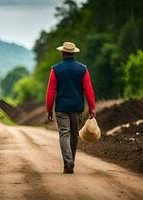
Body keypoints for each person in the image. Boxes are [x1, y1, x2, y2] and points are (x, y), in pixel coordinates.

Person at [46, 42, 96, 174]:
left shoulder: (56, 69)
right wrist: (92, 108)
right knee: (74, 135)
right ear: (74, 53)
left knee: (64, 134)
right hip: (77, 107)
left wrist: (49, 109)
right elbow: (88, 90)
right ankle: (70, 161)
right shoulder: (83, 69)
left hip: (61, 108)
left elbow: (51, 91)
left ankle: (68, 162)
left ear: (62, 53)